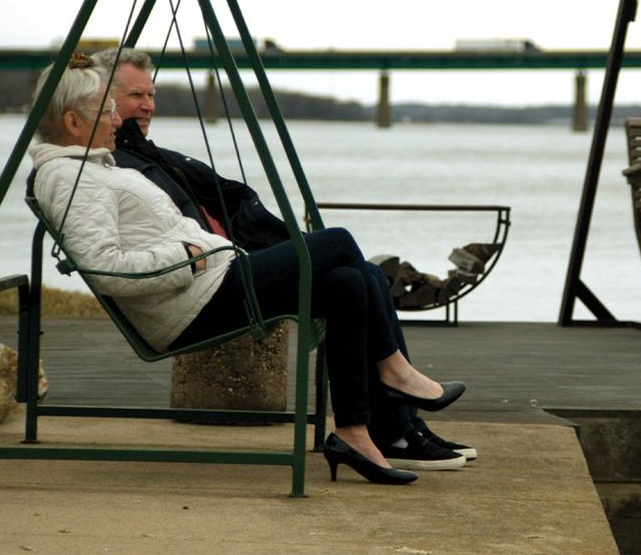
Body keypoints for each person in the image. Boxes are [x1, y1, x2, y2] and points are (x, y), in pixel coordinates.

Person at [27, 53, 466, 485]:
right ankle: (395, 373)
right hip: (192, 302)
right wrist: (192, 254)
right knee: (338, 242)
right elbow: (105, 269)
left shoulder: (92, 167)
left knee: (347, 282)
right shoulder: (69, 177)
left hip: (206, 284)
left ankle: (354, 432)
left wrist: (200, 251)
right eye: (107, 110)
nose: (117, 120)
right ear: (71, 122)